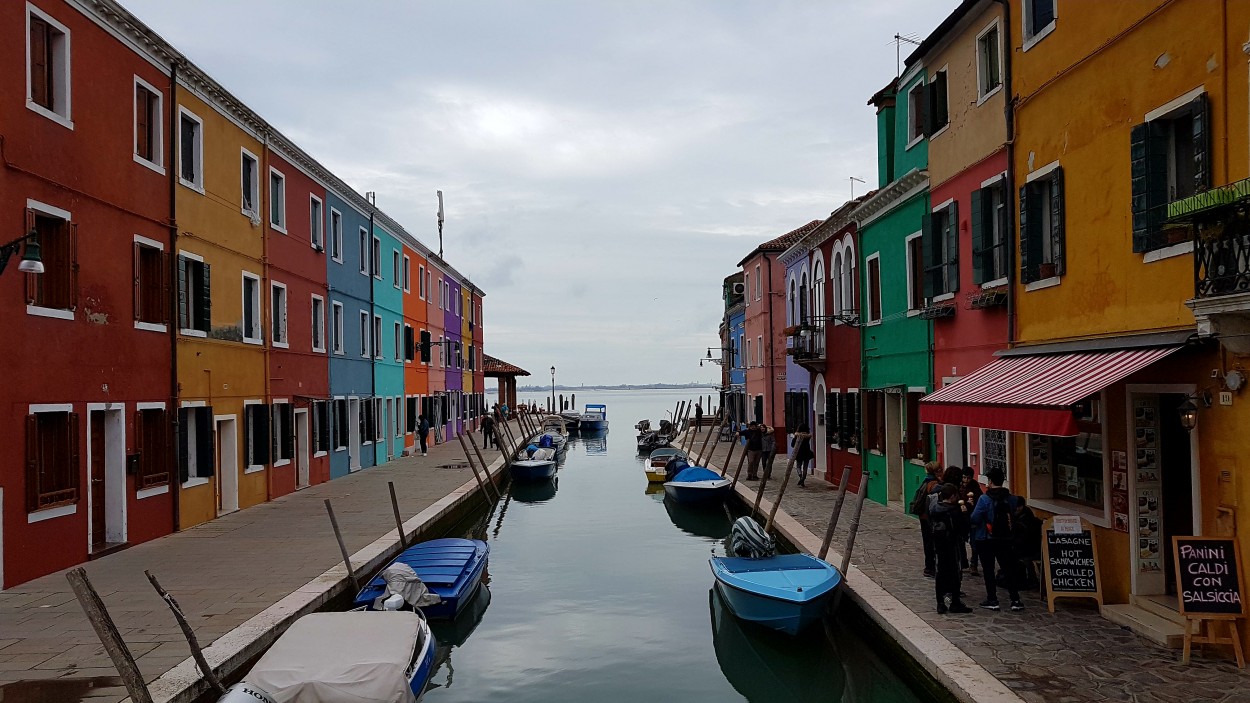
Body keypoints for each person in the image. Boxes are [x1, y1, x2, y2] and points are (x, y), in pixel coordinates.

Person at [969, 467, 1023, 611]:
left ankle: (992, 599)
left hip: (986, 538)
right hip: (1006, 539)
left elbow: (974, 518)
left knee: (988, 570)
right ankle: (1015, 599)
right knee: (1008, 569)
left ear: (990, 481)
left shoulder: (984, 499)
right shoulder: (1012, 499)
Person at [929, 484, 973, 614]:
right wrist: (966, 511)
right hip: (952, 546)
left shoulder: (934, 509)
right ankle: (955, 602)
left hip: (938, 546)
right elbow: (963, 528)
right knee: (955, 574)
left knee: (940, 574)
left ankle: (940, 603)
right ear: (953, 496)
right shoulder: (954, 511)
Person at [909, 461, 944, 578]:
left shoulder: (926, 481)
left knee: (927, 542)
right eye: (941, 469)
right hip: (929, 518)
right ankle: (930, 567)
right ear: (937, 471)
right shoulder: (934, 485)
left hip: (923, 517)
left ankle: (929, 567)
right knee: (931, 543)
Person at [960, 467, 984, 573]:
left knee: (974, 543)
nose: (966, 480)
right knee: (961, 541)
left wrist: (971, 504)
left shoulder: (975, 487)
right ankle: (962, 562)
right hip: (961, 518)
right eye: (964, 477)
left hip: (972, 517)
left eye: (968, 478)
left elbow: (979, 502)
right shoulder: (958, 486)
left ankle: (974, 564)